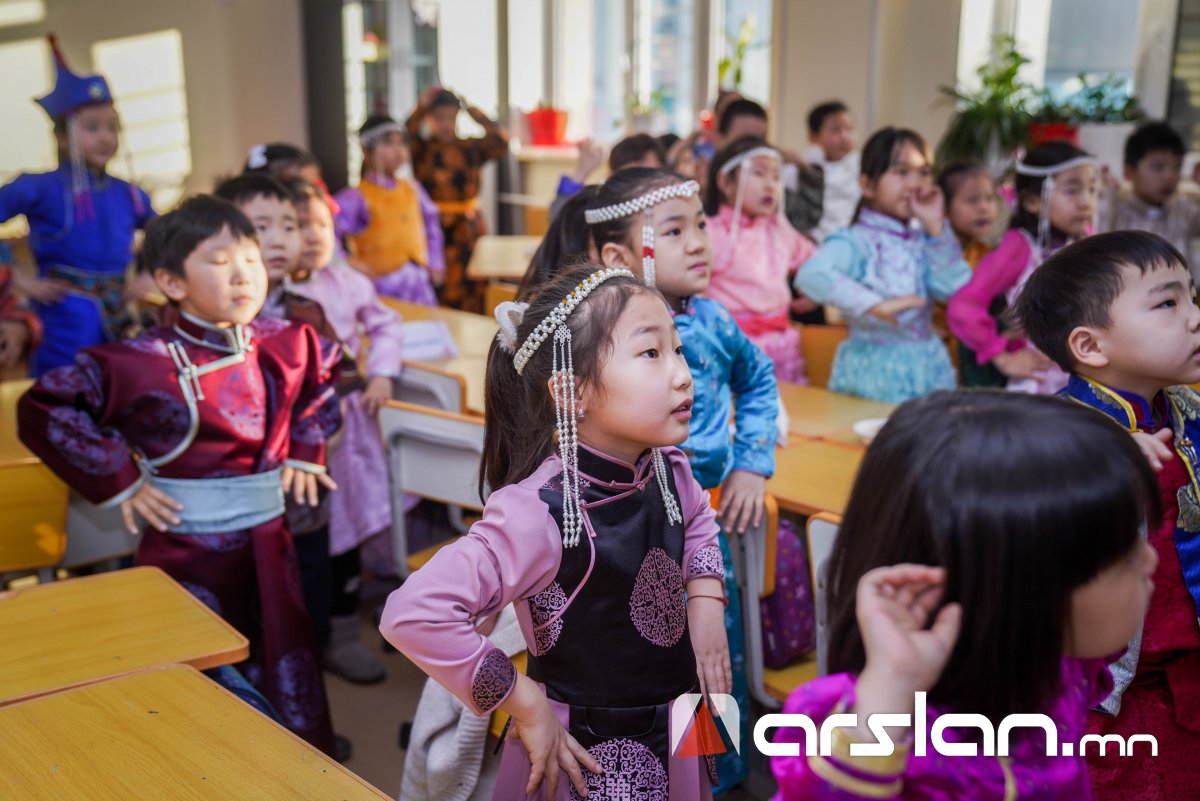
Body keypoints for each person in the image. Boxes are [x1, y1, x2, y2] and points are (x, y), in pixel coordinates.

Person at [381, 264, 731, 799]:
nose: (683, 375)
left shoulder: (670, 470)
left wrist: (705, 603)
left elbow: (699, 520)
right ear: (571, 392)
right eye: (651, 353)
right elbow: (412, 613)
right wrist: (524, 702)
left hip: (680, 716)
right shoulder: (535, 512)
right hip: (581, 751)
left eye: (677, 350)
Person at [17, 195, 341, 754]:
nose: (243, 274)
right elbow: (42, 407)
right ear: (170, 282)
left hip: (272, 541)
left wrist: (307, 448)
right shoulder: (139, 360)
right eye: (219, 261)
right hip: (187, 552)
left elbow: (325, 377)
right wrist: (120, 475)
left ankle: (291, 761)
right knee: (197, 668)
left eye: (251, 258)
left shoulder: (287, 340)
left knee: (282, 649)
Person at [770, 389, 1160, 799]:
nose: (1151, 560)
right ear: (1024, 591)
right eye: (1125, 556)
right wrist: (890, 688)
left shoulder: (1052, 662)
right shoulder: (907, 743)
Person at [588, 168, 779, 791]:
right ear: (618, 257)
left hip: (700, 533)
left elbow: (759, 380)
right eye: (673, 231)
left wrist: (751, 460)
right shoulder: (597, 338)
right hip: (623, 532)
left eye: (700, 224)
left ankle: (711, 780)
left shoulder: (716, 321)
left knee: (710, 662)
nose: (699, 241)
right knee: (641, 664)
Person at [1015, 230, 1200, 800]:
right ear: (1091, 346)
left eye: (1192, 296)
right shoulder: (1053, 436)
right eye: (1168, 304)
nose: (1195, 317)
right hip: (1107, 698)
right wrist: (1093, 469)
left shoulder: (1187, 408)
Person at [288, 179, 404, 684]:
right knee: (319, 531)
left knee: (350, 522)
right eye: (298, 226)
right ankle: (315, 634)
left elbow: (385, 324)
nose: (314, 235)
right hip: (302, 433)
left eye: (321, 223)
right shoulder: (272, 298)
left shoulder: (347, 282)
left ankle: (342, 634)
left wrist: (381, 372)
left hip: (350, 425)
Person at [0, 34, 154, 375]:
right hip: (62, 319)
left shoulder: (129, 193)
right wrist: (17, 277)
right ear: (62, 137)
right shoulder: (39, 187)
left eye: (112, 127)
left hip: (120, 317)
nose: (105, 137)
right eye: (92, 128)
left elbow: (168, 233)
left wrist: (149, 272)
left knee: (118, 387)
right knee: (63, 390)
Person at [795, 127, 972, 403]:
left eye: (924, 172)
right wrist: (874, 305)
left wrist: (936, 227)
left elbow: (955, 290)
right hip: (873, 373)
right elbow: (810, 274)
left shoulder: (926, 238)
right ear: (867, 185)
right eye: (901, 172)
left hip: (927, 367)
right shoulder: (856, 241)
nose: (915, 184)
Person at [947, 141, 1096, 395]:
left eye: (1092, 190)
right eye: (1072, 191)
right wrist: (1002, 357)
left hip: (1086, 374)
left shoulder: (1085, 239)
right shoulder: (1020, 247)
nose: (1086, 202)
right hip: (1042, 381)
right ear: (1032, 201)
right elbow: (964, 305)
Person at [703, 137, 816, 383]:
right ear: (725, 182)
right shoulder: (711, 232)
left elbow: (813, 261)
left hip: (781, 342)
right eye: (759, 173)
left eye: (776, 177)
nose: (770, 185)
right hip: (730, 344)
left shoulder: (779, 229)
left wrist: (815, 289)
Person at [407, 86, 510, 312]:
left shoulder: (469, 148)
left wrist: (470, 109)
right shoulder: (420, 150)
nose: (445, 124)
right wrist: (420, 107)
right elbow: (406, 135)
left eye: (450, 117)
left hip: (468, 227)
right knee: (439, 285)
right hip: (433, 229)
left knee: (475, 284)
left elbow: (501, 140)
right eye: (438, 117)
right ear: (428, 118)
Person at [335, 113, 445, 304]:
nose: (398, 150)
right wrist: (347, 261)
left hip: (419, 284)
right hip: (379, 286)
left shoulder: (413, 189)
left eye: (401, 143)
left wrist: (435, 261)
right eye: (388, 143)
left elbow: (431, 224)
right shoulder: (356, 196)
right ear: (365, 150)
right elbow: (328, 231)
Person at [1097, 121, 1200, 278]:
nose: (1169, 176)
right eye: (1158, 167)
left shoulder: (1183, 212)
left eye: (1177, 167)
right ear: (1129, 171)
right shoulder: (1114, 211)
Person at [937, 161, 1002, 387]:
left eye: (989, 198)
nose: (984, 208)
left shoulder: (989, 254)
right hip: (938, 354)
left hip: (975, 356)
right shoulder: (931, 252)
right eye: (972, 200)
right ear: (944, 207)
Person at [803, 101, 860, 242]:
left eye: (849, 129)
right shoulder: (804, 168)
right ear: (813, 137)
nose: (844, 136)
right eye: (835, 130)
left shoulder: (862, 167)